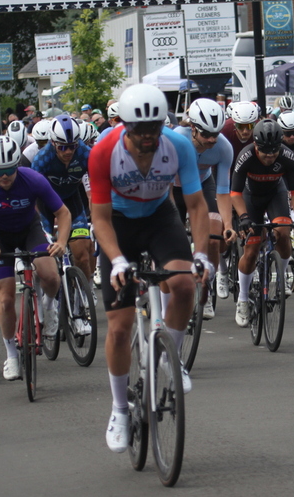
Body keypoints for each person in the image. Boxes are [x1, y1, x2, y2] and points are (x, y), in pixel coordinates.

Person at [88, 83, 211, 453]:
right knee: (120, 328)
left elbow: (196, 206)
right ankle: (120, 410)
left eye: (154, 128)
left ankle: (168, 361)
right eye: (139, 130)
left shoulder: (179, 146)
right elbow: (100, 218)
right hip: (119, 227)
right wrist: (118, 260)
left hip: (159, 218)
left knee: (186, 285)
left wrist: (201, 254)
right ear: (123, 125)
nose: (147, 137)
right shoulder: (103, 152)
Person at [0, 136, 70, 381]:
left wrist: (61, 242)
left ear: (17, 165)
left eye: (9, 171)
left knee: (50, 275)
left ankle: (49, 307)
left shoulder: (33, 179)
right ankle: (11, 355)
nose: (4, 177)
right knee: (5, 299)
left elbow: (62, 212)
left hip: (29, 229)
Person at [232, 119, 294, 326]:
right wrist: (244, 218)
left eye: (274, 152)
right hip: (250, 197)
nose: (270, 157)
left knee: (283, 232)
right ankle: (243, 299)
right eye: (266, 153)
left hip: (275, 195)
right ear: (256, 146)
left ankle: (283, 273)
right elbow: (235, 193)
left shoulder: (287, 157)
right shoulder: (245, 156)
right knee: (252, 249)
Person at [172, 99, 236, 317]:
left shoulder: (224, 147)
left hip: (203, 186)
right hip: (175, 189)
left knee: (213, 237)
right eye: (206, 134)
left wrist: (228, 224)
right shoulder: (176, 140)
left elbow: (223, 191)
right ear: (193, 128)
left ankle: (206, 290)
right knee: (173, 238)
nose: (211, 139)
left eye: (215, 134)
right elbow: (164, 186)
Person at [31, 115, 95, 292]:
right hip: (46, 207)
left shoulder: (85, 154)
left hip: (72, 202)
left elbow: (98, 187)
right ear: (52, 142)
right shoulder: (42, 159)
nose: (68, 151)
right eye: (62, 147)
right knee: (45, 255)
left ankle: (85, 293)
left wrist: (98, 217)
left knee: (82, 252)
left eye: (72, 146)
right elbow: (31, 194)